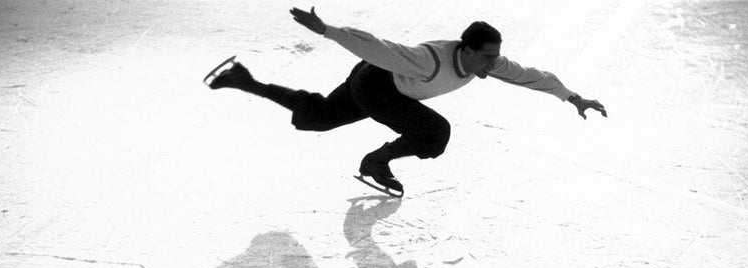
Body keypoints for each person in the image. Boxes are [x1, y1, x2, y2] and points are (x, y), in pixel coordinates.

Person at [205, 6, 607, 195]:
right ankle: (377, 160)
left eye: (494, 55)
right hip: (377, 83)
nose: (493, 62)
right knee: (436, 132)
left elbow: (530, 75)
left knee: (318, 117)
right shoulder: (429, 59)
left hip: (380, 85)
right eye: (486, 55)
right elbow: (375, 47)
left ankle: (244, 81)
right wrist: (327, 29)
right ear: (466, 48)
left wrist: (573, 97)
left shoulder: (487, 63)